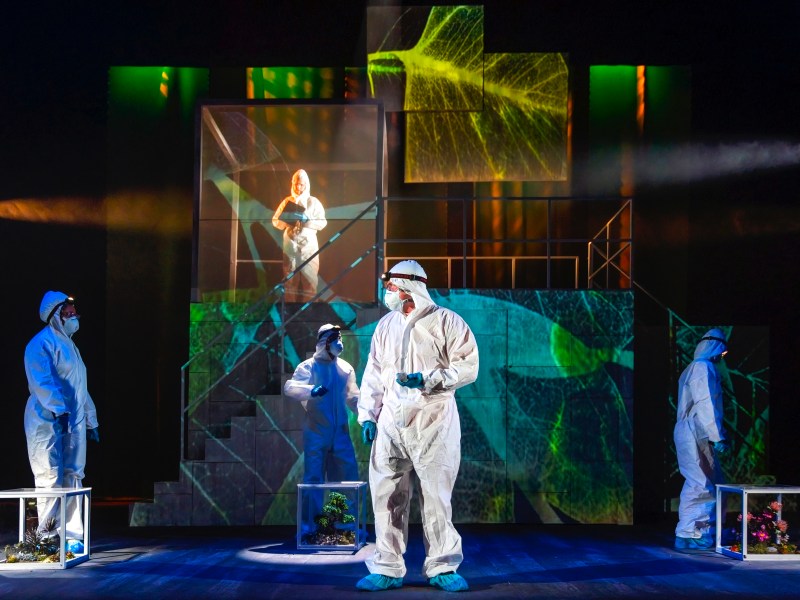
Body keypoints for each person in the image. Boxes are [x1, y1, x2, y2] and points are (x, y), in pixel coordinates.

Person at [356, 260, 479, 593]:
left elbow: (468, 367)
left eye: (392, 286)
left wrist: (427, 379)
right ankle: (387, 567)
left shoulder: (447, 322)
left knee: (436, 498)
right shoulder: (386, 325)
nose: (387, 292)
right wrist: (368, 414)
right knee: (386, 496)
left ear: (410, 287)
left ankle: (443, 566)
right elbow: (374, 372)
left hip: (432, 421)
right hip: (391, 423)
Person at [24, 291, 100, 551]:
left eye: (74, 311)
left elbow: (80, 386)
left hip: (72, 419)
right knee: (49, 475)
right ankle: (47, 537)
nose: (74, 315)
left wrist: (91, 420)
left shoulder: (71, 347)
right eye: (69, 312)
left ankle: (71, 535)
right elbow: (42, 381)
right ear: (56, 314)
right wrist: (59, 410)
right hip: (46, 420)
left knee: (73, 473)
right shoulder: (40, 344)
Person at [674, 328, 729, 550]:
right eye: (721, 351)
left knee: (704, 481)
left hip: (691, 430)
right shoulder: (702, 367)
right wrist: (718, 436)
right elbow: (707, 403)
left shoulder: (692, 368)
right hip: (696, 430)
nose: (722, 356)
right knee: (701, 483)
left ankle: (700, 531)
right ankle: (692, 533)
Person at [284, 323, 360, 484]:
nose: (339, 342)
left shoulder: (345, 369)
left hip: (341, 432)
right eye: (335, 339)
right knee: (314, 478)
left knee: (344, 478)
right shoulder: (308, 367)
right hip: (316, 431)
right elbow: (290, 388)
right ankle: (313, 503)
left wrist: (368, 418)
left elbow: (353, 398)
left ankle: (338, 503)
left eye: (340, 338)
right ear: (325, 342)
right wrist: (311, 390)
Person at [272, 169, 327, 302]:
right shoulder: (287, 201)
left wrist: (307, 221)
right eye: (296, 184)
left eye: (301, 184)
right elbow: (275, 221)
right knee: (289, 280)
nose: (298, 187)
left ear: (306, 185)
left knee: (310, 279)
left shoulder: (313, 202)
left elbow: (322, 223)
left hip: (308, 246)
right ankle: (290, 308)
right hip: (290, 245)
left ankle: (310, 308)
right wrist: (287, 219)